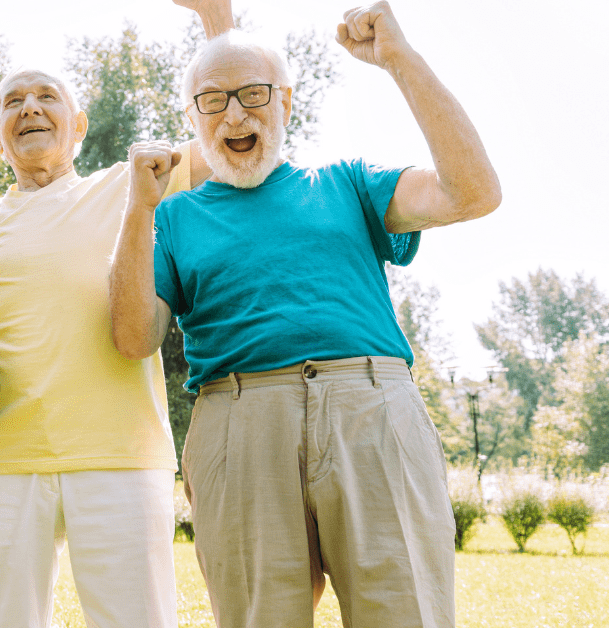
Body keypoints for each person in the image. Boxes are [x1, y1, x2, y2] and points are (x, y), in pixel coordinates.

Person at [109, 2, 501, 627]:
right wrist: (137, 208)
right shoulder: (174, 218)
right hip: (240, 424)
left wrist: (400, 60)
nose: (235, 114)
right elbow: (134, 337)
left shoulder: (348, 183)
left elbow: (473, 193)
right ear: (192, 119)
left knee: (406, 613)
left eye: (254, 94)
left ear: (287, 103)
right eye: (212, 101)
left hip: (370, 411)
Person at [0, 3, 229, 626]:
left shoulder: (133, 186)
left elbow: (225, 136)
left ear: (79, 124)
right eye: (13, 101)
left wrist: (217, 21)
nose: (29, 107)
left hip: (121, 455)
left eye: (46, 96)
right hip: (3, 461)